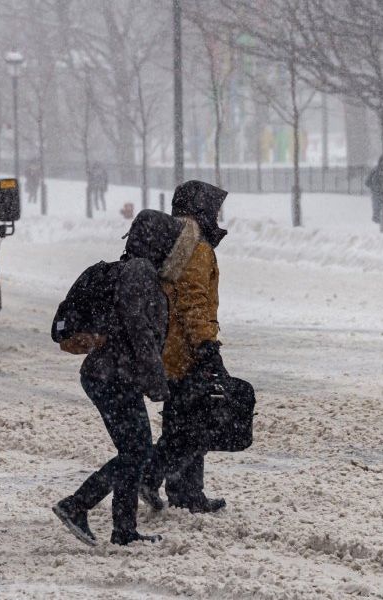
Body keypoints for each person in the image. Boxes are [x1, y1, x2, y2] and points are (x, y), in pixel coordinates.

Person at [53, 209, 178, 546]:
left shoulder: (137, 270)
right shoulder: (139, 272)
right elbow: (139, 330)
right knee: (136, 451)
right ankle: (76, 505)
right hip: (111, 377)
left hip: (113, 375)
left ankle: (124, 530)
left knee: (134, 449)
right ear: (158, 242)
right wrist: (156, 380)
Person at [140, 180, 230, 514]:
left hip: (171, 347)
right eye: (214, 209)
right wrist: (207, 345)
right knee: (192, 426)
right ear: (201, 210)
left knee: (184, 421)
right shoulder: (196, 248)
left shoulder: (180, 242)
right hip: (185, 351)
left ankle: (185, 491)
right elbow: (193, 301)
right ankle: (152, 476)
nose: (217, 216)